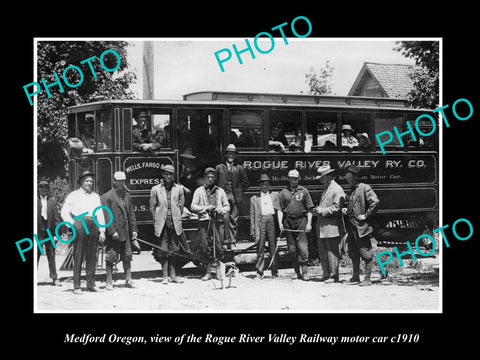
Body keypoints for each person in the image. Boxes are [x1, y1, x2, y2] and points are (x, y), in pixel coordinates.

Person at [61, 171, 106, 294]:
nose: (89, 183)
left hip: (94, 225)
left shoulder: (96, 196)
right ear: (81, 182)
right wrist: (73, 224)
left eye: (91, 181)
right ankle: (77, 286)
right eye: (87, 181)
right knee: (78, 255)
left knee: (92, 256)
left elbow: (100, 213)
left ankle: (91, 284)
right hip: (80, 224)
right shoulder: (73, 195)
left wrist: (102, 230)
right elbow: (64, 212)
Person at [342, 165, 380, 286]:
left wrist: (366, 215)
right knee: (353, 252)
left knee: (366, 252)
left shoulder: (364, 187)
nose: (347, 180)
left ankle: (368, 278)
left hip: (361, 227)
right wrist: (346, 210)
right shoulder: (352, 190)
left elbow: (375, 202)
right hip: (352, 226)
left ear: (355, 177)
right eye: (346, 178)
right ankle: (355, 276)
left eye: (349, 178)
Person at [191, 167, 230, 281]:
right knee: (205, 246)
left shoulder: (220, 191)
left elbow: (227, 206)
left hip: (217, 222)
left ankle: (218, 273)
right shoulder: (199, 191)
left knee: (218, 246)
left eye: (213, 177)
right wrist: (205, 208)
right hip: (204, 222)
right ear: (204, 178)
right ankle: (208, 272)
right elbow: (193, 206)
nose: (210, 179)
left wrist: (221, 210)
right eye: (208, 177)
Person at [101, 171, 138, 290]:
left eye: (123, 180)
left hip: (126, 231)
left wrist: (134, 229)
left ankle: (128, 279)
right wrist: (112, 232)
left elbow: (131, 213)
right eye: (119, 181)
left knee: (127, 256)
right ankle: (109, 282)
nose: (121, 183)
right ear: (114, 181)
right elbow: (107, 216)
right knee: (111, 256)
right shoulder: (107, 197)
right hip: (115, 233)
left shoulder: (127, 195)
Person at [149, 165, 186, 285]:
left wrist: (175, 217)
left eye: (171, 174)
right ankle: (165, 276)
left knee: (174, 249)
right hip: (162, 223)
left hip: (175, 222)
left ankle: (173, 275)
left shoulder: (179, 189)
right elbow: (152, 207)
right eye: (166, 174)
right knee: (163, 249)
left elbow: (180, 206)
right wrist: (157, 221)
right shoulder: (155, 189)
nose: (168, 176)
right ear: (163, 175)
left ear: (173, 175)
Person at [277, 169, 314, 281]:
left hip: (301, 221)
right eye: (291, 178)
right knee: (292, 249)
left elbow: (309, 209)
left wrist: (309, 223)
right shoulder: (283, 193)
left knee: (303, 247)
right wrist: (280, 223)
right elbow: (279, 210)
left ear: (298, 179)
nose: (293, 181)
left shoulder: (304, 191)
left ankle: (305, 272)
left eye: (295, 178)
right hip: (288, 222)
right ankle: (296, 271)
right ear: (288, 179)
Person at [315, 165, 347, 283]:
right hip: (323, 226)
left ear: (328, 177)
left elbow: (338, 207)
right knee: (323, 251)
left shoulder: (336, 189)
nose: (321, 180)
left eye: (322, 178)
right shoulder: (327, 188)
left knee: (332, 251)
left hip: (332, 226)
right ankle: (326, 274)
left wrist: (322, 211)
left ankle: (334, 276)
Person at [215, 144, 249, 244]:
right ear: (226, 155)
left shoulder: (239, 168)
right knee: (223, 218)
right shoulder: (219, 167)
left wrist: (239, 192)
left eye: (233, 154)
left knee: (233, 219)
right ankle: (224, 240)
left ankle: (232, 240)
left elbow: (246, 182)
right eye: (229, 154)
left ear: (235, 156)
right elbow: (215, 182)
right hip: (223, 196)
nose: (231, 156)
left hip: (235, 196)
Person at [250, 174, 280, 279]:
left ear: (269, 185)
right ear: (260, 186)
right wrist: (253, 229)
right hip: (260, 222)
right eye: (262, 184)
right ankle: (259, 271)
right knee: (260, 247)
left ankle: (274, 270)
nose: (264, 186)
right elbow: (252, 216)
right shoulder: (254, 198)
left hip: (271, 220)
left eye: (266, 184)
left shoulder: (274, 195)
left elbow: (279, 209)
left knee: (273, 246)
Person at [37, 180, 61, 285]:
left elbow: (57, 219)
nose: (43, 189)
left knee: (51, 253)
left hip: (49, 231)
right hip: (37, 232)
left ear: (48, 189)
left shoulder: (52, 202)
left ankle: (54, 277)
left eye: (45, 187)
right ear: (38, 189)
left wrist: (56, 234)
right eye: (41, 187)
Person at [223, 179, 238, 249]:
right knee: (225, 220)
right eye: (227, 185)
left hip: (234, 208)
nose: (229, 186)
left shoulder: (234, 192)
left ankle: (232, 241)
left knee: (233, 221)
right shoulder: (223, 193)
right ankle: (226, 241)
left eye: (230, 185)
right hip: (225, 209)